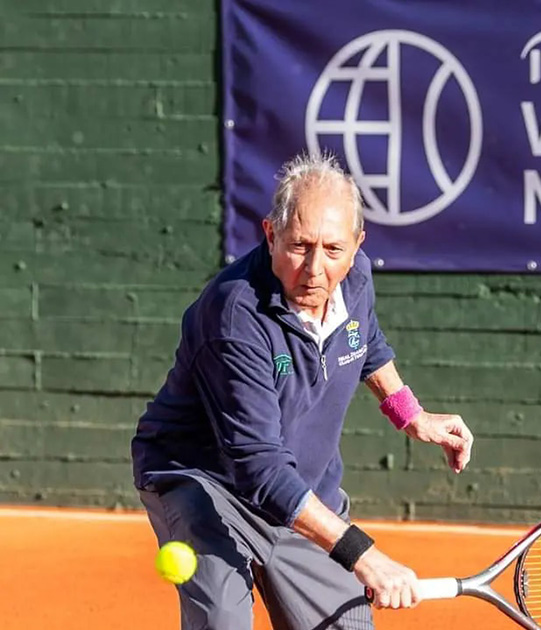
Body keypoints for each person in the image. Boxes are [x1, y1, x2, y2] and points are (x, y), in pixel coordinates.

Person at [131, 151, 474, 630]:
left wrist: (410, 414)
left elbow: (365, 341)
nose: (315, 269)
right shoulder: (235, 316)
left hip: (304, 488)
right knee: (223, 622)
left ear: (357, 246)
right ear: (271, 234)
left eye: (333, 250)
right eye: (299, 246)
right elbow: (259, 467)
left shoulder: (354, 281)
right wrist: (363, 555)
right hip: (206, 484)